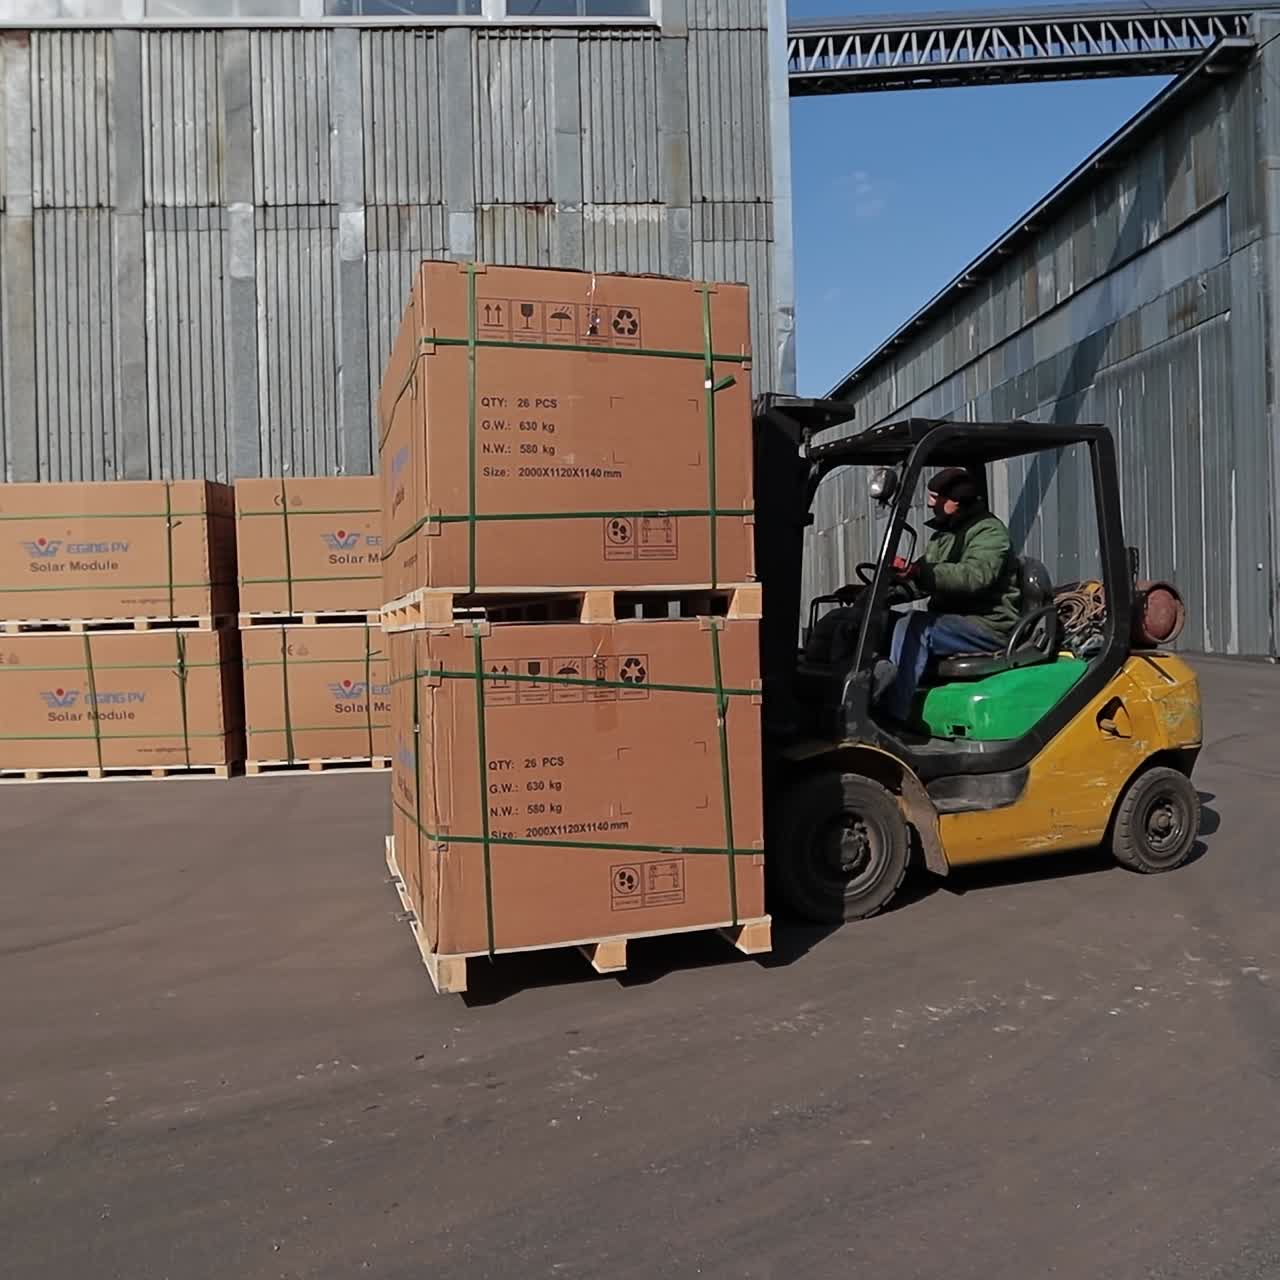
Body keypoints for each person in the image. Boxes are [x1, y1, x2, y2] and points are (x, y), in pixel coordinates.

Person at [879, 466, 1022, 724]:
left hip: (987, 625)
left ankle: (894, 718)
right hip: (954, 622)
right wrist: (878, 594)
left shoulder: (988, 532)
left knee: (914, 626)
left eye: (936, 498)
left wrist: (918, 571)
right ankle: (869, 700)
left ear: (954, 502)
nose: (930, 504)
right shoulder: (945, 535)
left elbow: (976, 576)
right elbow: (923, 581)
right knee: (877, 622)